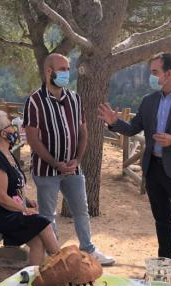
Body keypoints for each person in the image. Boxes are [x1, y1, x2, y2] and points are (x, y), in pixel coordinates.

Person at [98, 52, 171, 286]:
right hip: (154, 169)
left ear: (168, 74)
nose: (151, 77)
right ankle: (163, 267)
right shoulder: (149, 101)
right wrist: (113, 122)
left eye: (154, 72)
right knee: (161, 221)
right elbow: (132, 129)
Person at [23, 53, 115, 266]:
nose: (66, 73)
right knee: (48, 215)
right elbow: (32, 139)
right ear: (49, 72)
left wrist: (77, 160)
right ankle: (54, 256)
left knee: (82, 209)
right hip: (46, 171)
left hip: (73, 169)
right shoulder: (35, 102)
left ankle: (88, 249)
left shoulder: (74, 99)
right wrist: (55, 163)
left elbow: (83, 131)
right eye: (62, 69)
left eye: (67, 69)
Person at [0, 110, 60, 265]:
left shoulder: (6, 153)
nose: (14, 128)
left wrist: (26, 201)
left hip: (6, 210)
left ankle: (32, 280)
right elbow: (1, 197)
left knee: (37, 241)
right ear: (2, 133)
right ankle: (65, 265)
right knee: (43, 223)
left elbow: (12, 188)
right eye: (10, 125)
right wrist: (24, 210)